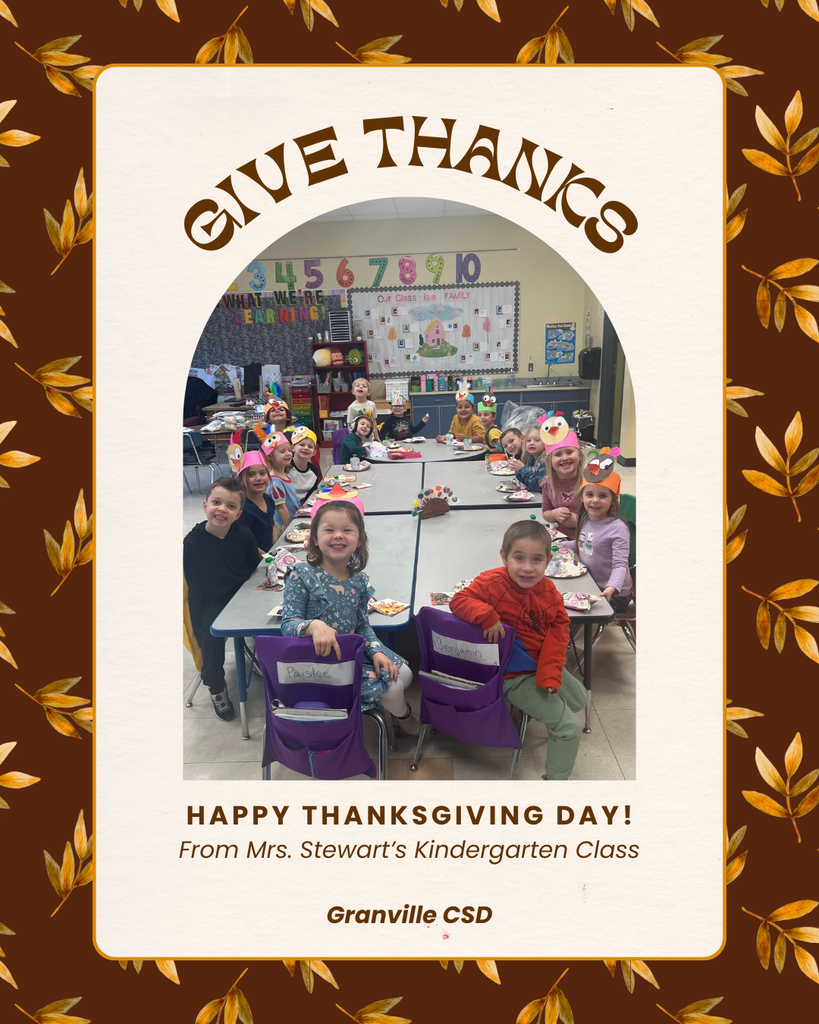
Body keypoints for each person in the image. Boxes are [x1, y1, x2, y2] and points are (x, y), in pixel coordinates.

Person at [449, 519, 587, 780]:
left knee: (579, 700)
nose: (527, 568)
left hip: (539, 663)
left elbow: (559, 629)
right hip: (510, 674)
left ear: (548, 561)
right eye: (519, 558)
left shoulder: (550, 591)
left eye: (536, 560)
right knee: (569, 727)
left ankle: (543, 712)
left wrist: (549, 673)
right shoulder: (492, 582)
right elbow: (459, 600)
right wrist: (487, 615)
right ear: (504, 557)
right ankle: (555, 783)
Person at [280, 498, 419, 732]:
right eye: (329, 530)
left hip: (353, 651)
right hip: (320, 662)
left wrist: (374, 650)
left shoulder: (358, 581)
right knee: (394, 688)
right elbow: (287, 625)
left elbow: (363, 625)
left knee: (404, 673)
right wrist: (313, 626)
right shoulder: (301, 574)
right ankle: (404, 718)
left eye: (347, 530)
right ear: (314, 538)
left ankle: (389, 709)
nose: (338, 535)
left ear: (359, 540)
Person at [183, 477, 260, 721]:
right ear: (205, 505)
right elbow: (195, 588)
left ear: (238, 514)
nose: (222, 509)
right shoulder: (192, 543)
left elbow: (254, 570)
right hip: (211, 601)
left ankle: (274, 669)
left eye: (230, 506)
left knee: (274, 621)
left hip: (243, 595)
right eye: (217, 502)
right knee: (210, 637)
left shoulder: (245, 536)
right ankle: (216, 687)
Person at [567, 449, 633, 611]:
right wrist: (556, 545)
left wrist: (611, 588)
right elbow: (583, 542)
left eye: (602, 496)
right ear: (582, 497)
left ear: (612, 500)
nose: (595, 500)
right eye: (590, 494)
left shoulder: (617, 528)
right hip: (591, 582)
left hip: (614, 594)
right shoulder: (586, 518)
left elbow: (620, 565)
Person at [538, 413, 583, 540]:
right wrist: (555, 514)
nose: (564, 458)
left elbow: (605, 519)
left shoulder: (590, 481)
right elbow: (546, 513)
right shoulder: (548, 484)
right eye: (558, 454)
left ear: (579, 455)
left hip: (589, 540)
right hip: (561, 538)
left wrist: (579, 521)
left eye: (569, 452)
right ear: (549, 461)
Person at [227, 445, 275, 555]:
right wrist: (266, 557)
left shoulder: (268, 500)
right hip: (253, 560)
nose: (258, 478)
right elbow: (245, 543)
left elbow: (273, 527)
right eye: (251, 475)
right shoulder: (243, 510)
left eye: (262, 473)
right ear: (241, 481)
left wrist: (274, 549)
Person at [260, 431, 299, 531]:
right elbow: (281, 508)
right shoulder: (275, 481)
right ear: (269, 456)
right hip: (285, 525)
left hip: (293, 520)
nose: (288, 454)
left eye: (289, 450)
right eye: (282, 452)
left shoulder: (284, 475)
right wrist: (290, 528)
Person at [288, 425, 321, 503]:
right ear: (292, 448)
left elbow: (312, 494)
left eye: (310, 446)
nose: (306, 448)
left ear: (314, 452)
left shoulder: (314, 471)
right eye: (302, 445)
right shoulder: (286, 468)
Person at [508, 426, 546, 490]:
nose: (531, 443)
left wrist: (522, 469)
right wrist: (517, 469)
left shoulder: (545, 460)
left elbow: (538, 485)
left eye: (537, 440)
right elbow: (525, 482)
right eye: (528, 440)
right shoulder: (530, 458)